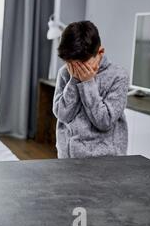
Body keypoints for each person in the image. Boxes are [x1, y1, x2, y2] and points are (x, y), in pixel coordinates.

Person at [52, 21, 129, 158]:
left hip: (105, 161)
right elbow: (62, 115)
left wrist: (87, 83)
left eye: (81, 65)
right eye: (71, 64)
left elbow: (104, 121)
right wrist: (74, 81)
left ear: (100, 53)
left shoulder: (118, 76)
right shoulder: (65, 73)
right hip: (68, 159)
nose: (76, 70)